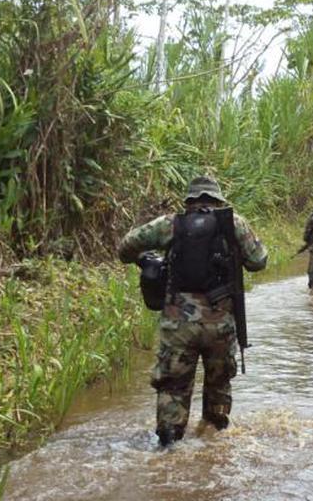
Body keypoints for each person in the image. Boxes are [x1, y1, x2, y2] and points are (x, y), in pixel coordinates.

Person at [118, 176, 267, 446]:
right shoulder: (234, 223)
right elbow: (258, 261)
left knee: (173, 385)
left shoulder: (170, 224)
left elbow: (126, 246)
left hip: (178, 325)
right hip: (220, 323)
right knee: (219, 383)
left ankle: (168, 444)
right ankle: (214, 440)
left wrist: (145, 260)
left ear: (189, 200)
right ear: (218, 200)